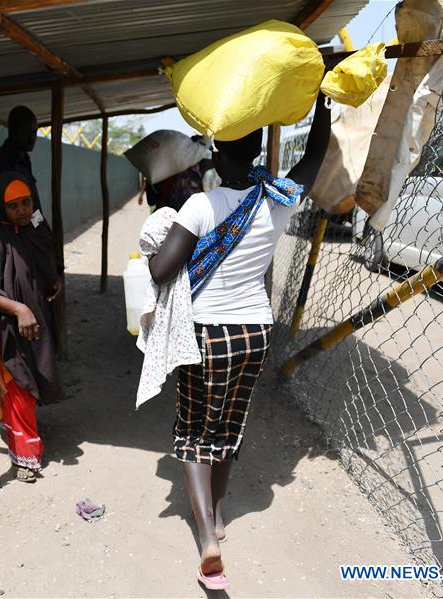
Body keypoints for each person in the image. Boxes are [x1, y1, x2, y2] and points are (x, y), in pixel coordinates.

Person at [146, 93, 331, 590]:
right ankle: (222, 517)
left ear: (217, 157)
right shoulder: (275, 200)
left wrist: (152, 255)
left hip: (207, 332)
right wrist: (323, 107)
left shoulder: (201, 204)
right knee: (228, 424)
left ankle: (206, 536)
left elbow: (163, 271)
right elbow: (314, 159)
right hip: (255, 332)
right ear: (252, 153)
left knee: (192, 432)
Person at [0, 172, 65, 483]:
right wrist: (20, 309)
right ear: (2, 208)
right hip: (11, 328)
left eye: (26, 202)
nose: (22, 210)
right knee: (19, 384)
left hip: (39, 322)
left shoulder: (37, 229)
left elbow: (52, 263)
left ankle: (24, 435)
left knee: (33, 380)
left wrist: (56, 281)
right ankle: (26, 456)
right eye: (13, 206)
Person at [0, 106, 43, 238]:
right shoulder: (1, 164)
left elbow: (32, 203)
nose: (32, 138)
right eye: (26, 133)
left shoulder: (24, 158)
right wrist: (37, 232)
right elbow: (11, 213)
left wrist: (40, 229)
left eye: (34, 132)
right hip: (11, 241)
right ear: (13, 131)